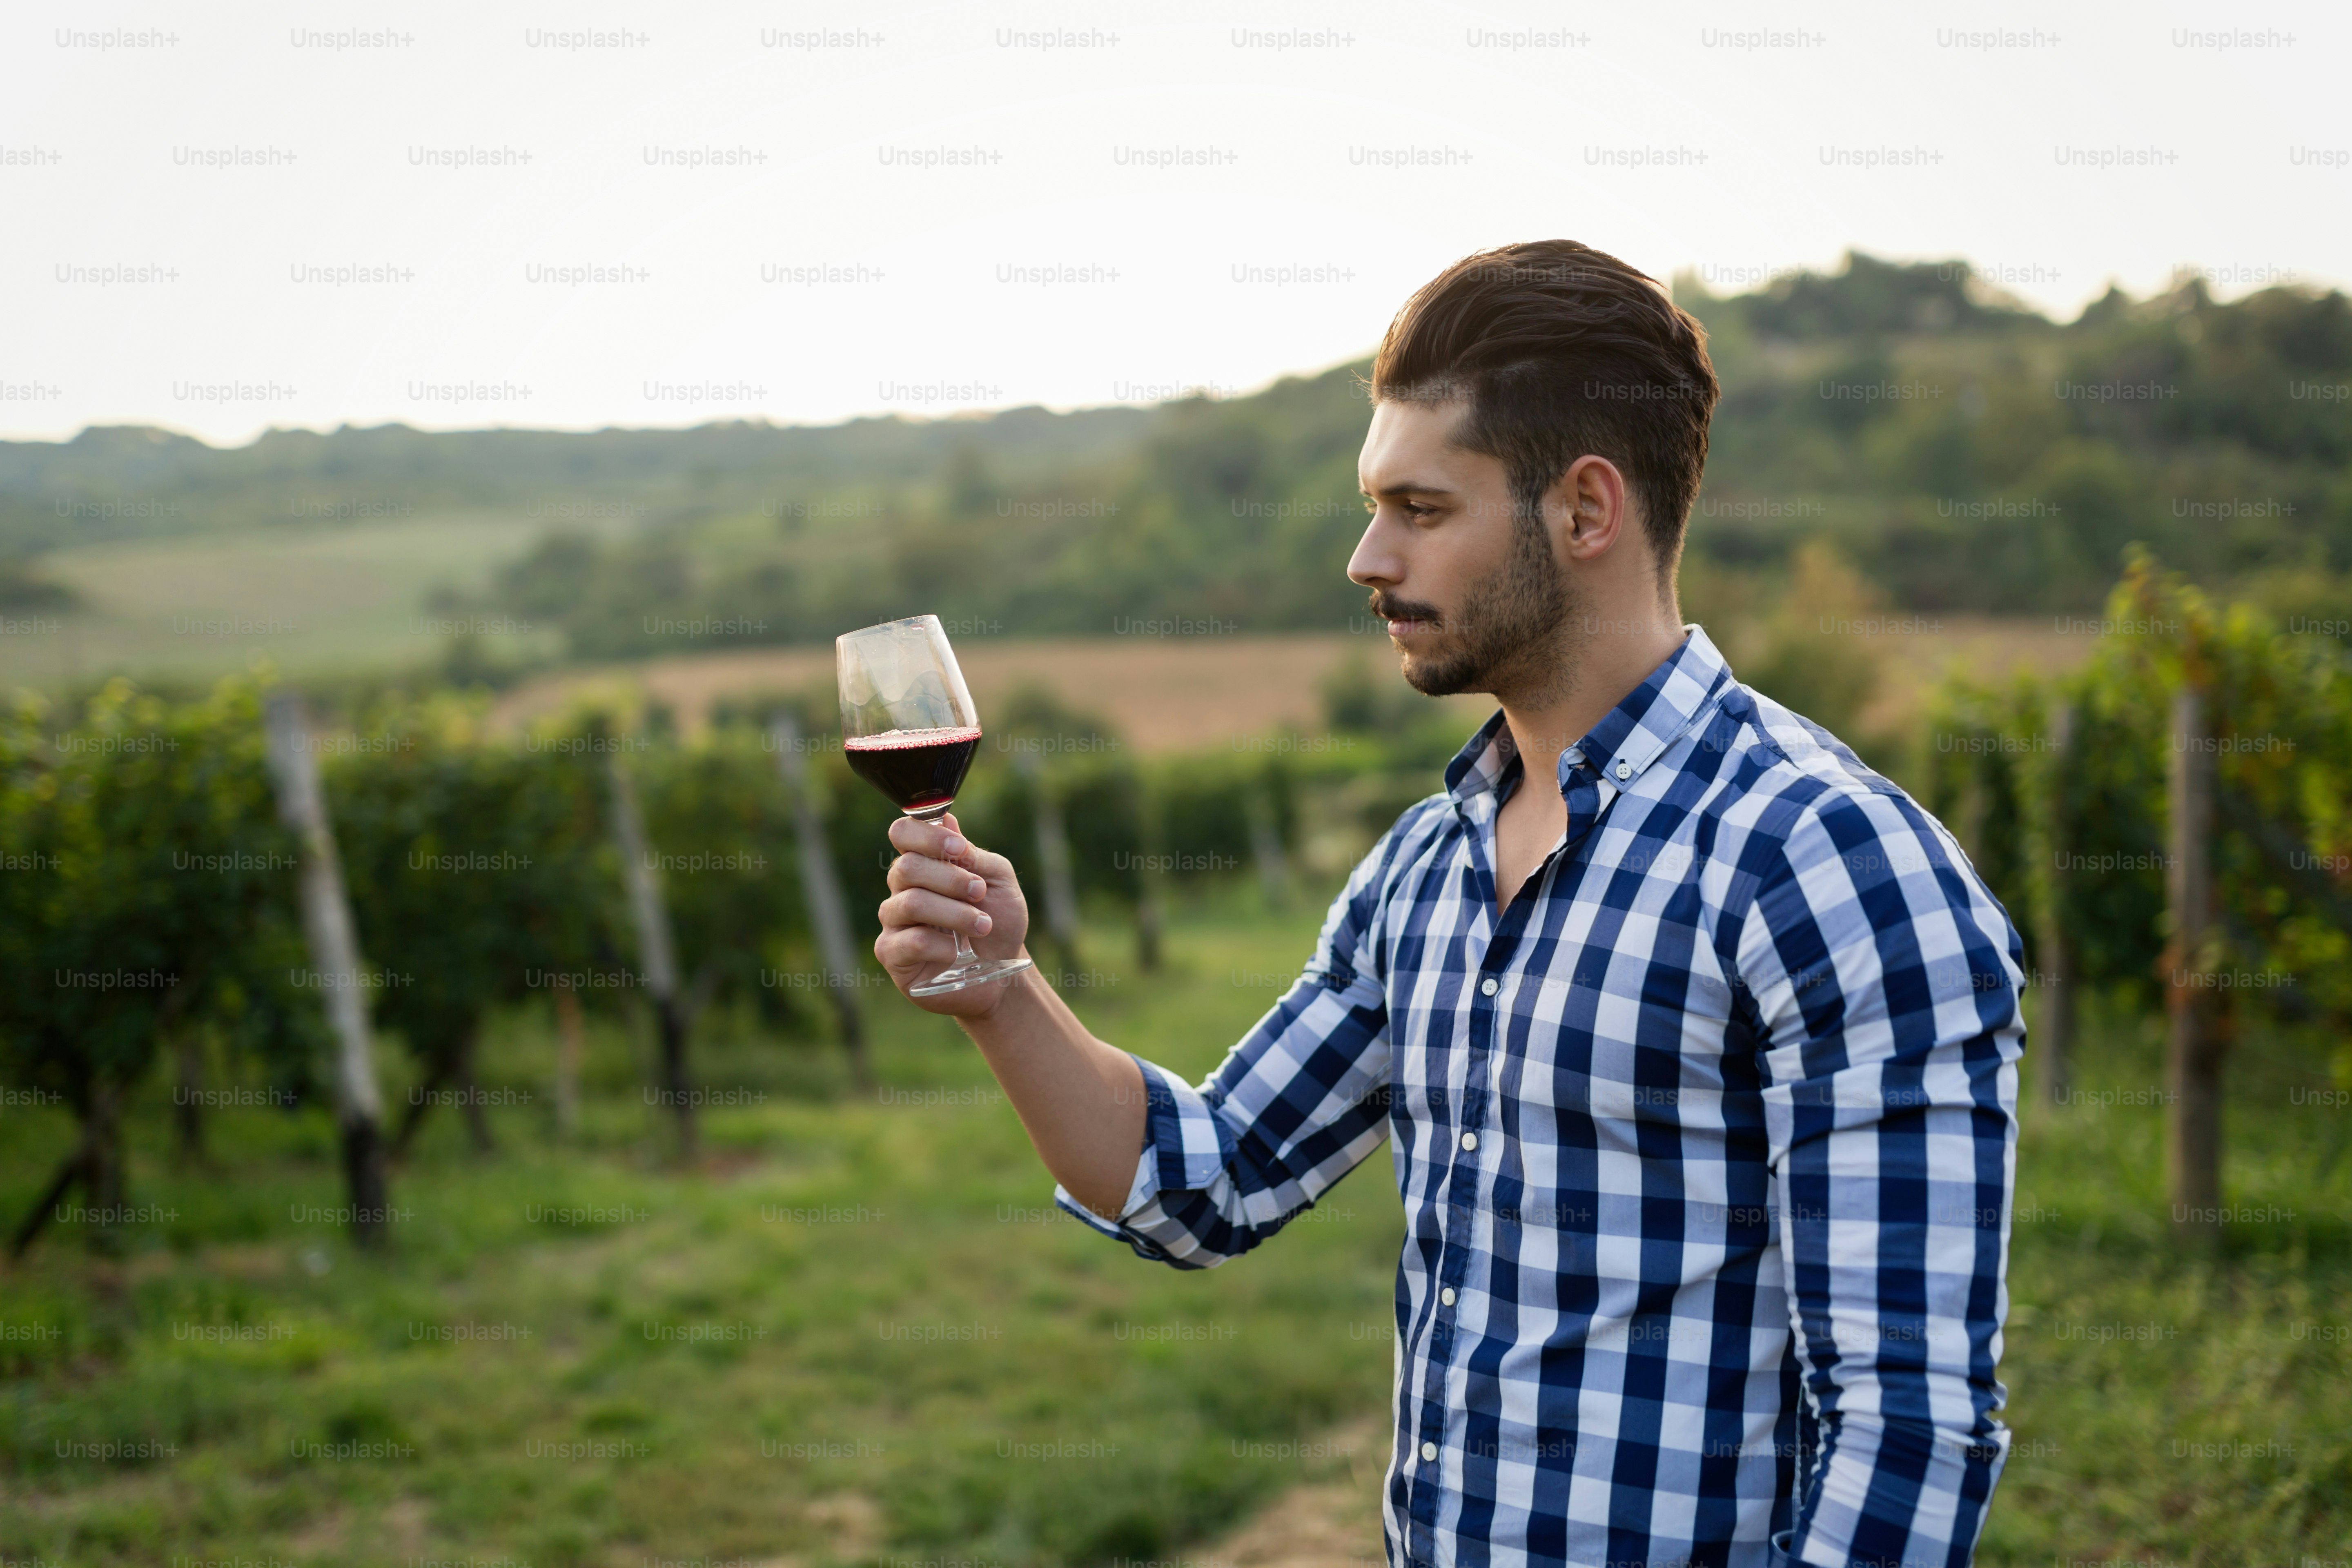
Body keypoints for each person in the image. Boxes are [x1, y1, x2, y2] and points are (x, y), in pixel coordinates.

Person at [875, 239, 2023, 1568]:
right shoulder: (1427, 868)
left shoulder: (1828, 865)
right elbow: (1207, 1181)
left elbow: (1908, 1431)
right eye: (1375, 506)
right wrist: (998, 992)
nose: (1367, 558)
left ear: (1586, 512)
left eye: (1421, 510)